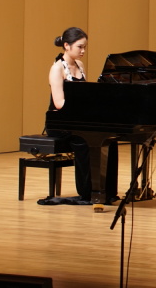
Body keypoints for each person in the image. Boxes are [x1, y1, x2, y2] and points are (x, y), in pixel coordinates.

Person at [45, 27, 117, 204]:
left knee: (109, 139)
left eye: (85, 47)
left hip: (76, 118)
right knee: (85, 140)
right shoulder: (57, 68)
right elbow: (59, 103)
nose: (83, 51)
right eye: (80, 47)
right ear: (67, 45)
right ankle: (88, 191)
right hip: (60, 122)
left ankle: (107, 191)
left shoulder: (80, 65)